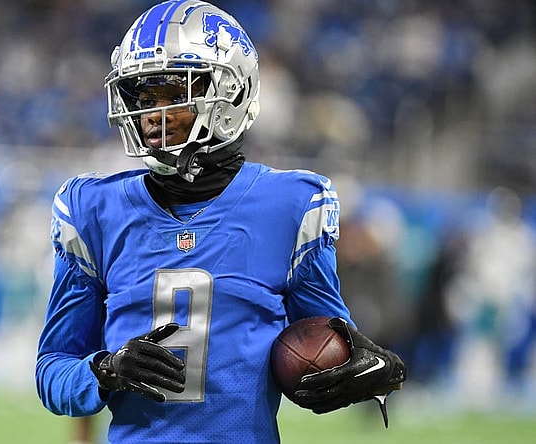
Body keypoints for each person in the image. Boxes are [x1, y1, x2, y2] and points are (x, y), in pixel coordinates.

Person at [35, 1, 406, 442]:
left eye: (174, 95)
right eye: (145, 98)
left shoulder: (289, 205)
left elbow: (328, 348)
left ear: (230, 93)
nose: (152, 115)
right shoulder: (94, 210)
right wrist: (104, 370)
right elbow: (52, 370)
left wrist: (372, 369)